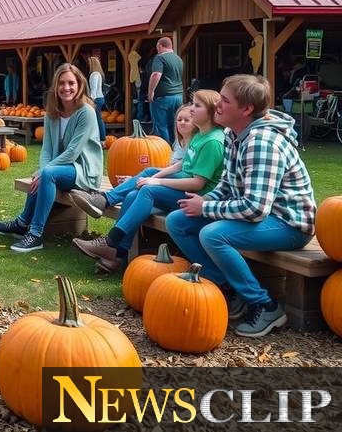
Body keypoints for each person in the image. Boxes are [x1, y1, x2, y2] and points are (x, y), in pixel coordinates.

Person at [166, 75, 316, 338]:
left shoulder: (261, 142)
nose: (217, 105)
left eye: (225, 100)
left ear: (246, 109)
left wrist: (206, 209)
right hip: (261, 217)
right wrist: (204, 201)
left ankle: (264, 304)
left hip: (288, 223)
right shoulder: (233, 135)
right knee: (178, 221)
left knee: (213, 234)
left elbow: (255, 208)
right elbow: (226, 185)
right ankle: (228, 289)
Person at [71, 91, 225, 272]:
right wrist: (153, 177)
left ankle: (111, 240)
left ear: (211, 112)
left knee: (148, 190)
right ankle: (117, 254)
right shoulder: (201, 135)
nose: (191, 109)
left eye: (197, 106)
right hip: (183, 190)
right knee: (133, 194)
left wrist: (156, 183)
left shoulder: (213, 142)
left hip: (195, 199)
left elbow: (197, 183)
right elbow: (183, 164)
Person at [0, 63, 102, 253]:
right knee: (44, 174)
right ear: (56, 87)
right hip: (60, 169)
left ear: (80, 85)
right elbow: (47, 149)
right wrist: (42, 170)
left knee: (47, 173)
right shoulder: (52, 113)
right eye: (62, 83)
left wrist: (45, 171)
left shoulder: (87, 112)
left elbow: (73, 152)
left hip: (84, 170)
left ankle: (35, 234)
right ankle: (23, 223)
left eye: (71, 83)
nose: (66, 88)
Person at [148, 36, 184, 144]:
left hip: (163, 96)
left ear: (160, 46)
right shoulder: (178, 59)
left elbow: (156, 74)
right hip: (178, 95)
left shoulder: (160, 58)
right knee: (174, 124)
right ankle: (176, 146)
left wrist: (151, 92)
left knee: (161, 125)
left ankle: (166, 148)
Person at [88, 56, 106, 142]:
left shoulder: (94, 74)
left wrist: (91, 100)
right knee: (98, 118)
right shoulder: (99, 74)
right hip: (100, 97)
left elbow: (94, 89)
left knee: (97, 119)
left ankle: (101, 138)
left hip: (96, 99)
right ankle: (101, 138)